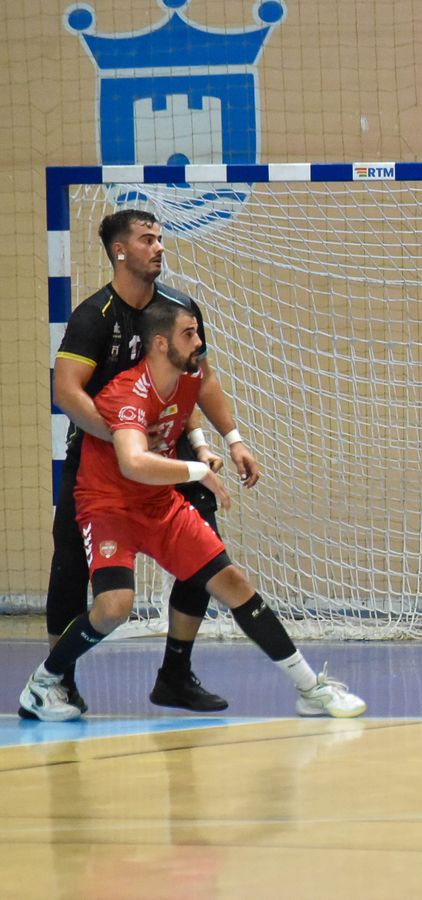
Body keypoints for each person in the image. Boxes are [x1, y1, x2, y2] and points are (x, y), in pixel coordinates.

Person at [18, 298, 364, 721]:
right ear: (160, 343)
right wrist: (198, 468)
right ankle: (41, 684)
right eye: (189, 334)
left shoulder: (189, 373)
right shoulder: (128, 392)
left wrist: (226, 440)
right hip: (109, 506)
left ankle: (312, 690)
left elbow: (199, 394)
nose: (199, 342)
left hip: (159, 503)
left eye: (198, 332)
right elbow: (133, 462)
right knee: (114, 607)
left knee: (233, 582)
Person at [36, 209, 262, 719]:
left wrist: (229, 438)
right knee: (70, 562)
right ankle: (59, 681)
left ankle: (175, 675)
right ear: (120, 251)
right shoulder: (93, 317)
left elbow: (200, 380)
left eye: (161, 238)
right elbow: (67, 392)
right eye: (147, 239)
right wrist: (122, 443)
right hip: (100, 452)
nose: (159, 246)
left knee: (203, 540)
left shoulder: (178, 310)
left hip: (162, 448)